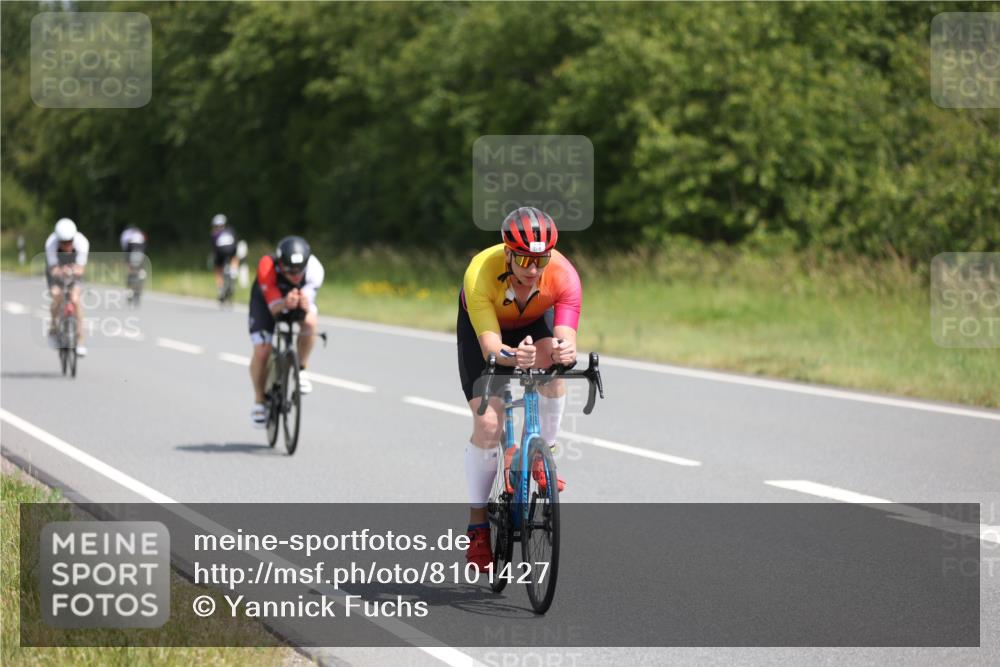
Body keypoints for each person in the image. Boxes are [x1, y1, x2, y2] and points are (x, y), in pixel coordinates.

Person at [457, 206, 581, 570]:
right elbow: (492, 350)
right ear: (508, 253)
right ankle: (478, 525)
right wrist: (514, 357)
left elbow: (564, 338)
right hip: (487, 330)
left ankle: (543, 455)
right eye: (524, 259)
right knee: (489, 425)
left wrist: (566, 351)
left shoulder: (564, 275)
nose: (532, 269)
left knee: (554, 369)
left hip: (531, 321)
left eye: (540, 260)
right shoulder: (480, 272)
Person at [247, 236, 325, 427]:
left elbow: (307, 300)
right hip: (266, 301)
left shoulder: (315, 269)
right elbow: (274, 309)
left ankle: (302, 369)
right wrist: (284, 303)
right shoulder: (267, 266)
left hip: (295, 299)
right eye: (290, 271)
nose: (295, 276)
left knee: (310, 322)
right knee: (262, 350)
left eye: (300, 271)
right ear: (281, 265)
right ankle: (259, 401)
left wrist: (302, 301)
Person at [44, 218, 90, 356]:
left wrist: (73, 271)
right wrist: (60, 272)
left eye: (69, 241)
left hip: (74, 270)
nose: (67, 245)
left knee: (75, 300)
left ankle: (80, 340)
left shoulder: (82, 242)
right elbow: (52, 268)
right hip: (56, 269)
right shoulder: (50, 243)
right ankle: (53, 329)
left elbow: (81, 268)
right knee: (57, 296)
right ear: (58, 240)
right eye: (63, 242)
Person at [210, 213, 239, 300]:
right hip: (231, 250)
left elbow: (214, 248)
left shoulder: (214, 233)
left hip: (220, 252)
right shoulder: (231, 230)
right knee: (235, 257)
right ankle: (234, 271)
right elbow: (236, 243)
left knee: (218, 268)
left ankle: (220, 288)